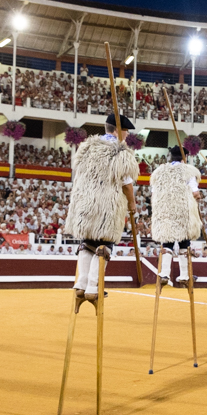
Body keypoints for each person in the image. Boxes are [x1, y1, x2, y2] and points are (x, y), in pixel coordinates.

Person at [64, 112, 140, 308]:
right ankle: (92, 287)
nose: (127, 134)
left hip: (85, 203)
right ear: (117, 130)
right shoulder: (120, 151)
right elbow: (126, 184)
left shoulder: (86, 148)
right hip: (107, 206)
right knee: (105, 244)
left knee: (87, 242)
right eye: (125, 130)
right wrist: (132, 204)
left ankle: (81, 283)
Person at [150, 144, 202, 286]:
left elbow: (153, 194)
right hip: (182, 210)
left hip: (164, 210)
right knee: (184, 242)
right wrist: (198, 197)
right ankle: (184, 275)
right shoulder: (188, 171)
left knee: (167, 242)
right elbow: (195, 192)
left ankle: (164, 273)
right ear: (184, 158)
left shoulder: (159, 172)